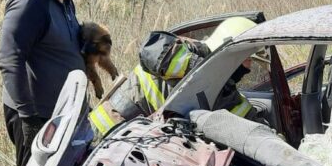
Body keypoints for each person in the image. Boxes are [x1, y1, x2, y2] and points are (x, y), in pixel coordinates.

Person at [0, 0, 96, 166]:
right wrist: (28, 119)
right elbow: (10, 59)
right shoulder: (30, 1)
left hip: (60, 111)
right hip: (35, 115)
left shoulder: (64, 0)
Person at [88, 17, 261, 138]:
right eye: (247, 59)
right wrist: (201, 69)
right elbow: (151, 49)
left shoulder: (226, 92)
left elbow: (249, 121)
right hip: (105, 130)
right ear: (230, 53)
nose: (249, 67)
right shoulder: (186, 49)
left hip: (133, 143)